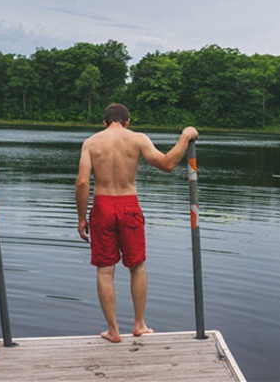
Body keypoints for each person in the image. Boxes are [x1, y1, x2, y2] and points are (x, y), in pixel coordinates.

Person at [75, 103, 199, 343]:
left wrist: (81, 217)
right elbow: (167, 164)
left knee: (104, 270)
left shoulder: (91, 143)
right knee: (137, 266)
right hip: (128, 204)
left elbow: (82, 182)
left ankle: (112, 331)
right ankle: (139, 325)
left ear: (104, 122)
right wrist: (185, 137)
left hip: (101, 206)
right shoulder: (138, 139)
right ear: (128, 121)